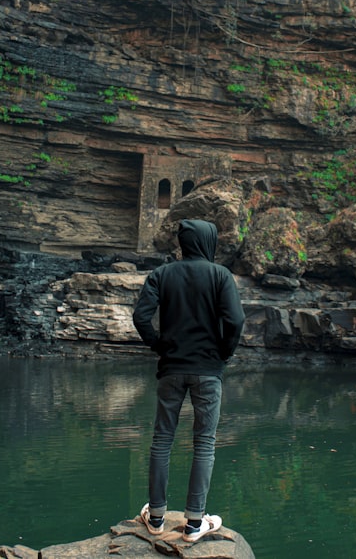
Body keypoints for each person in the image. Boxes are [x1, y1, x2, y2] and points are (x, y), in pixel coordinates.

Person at [132, 219, 245, 543]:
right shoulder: (220, 275)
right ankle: (195, 523)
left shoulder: (162, 274)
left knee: (162, 440)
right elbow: (235, 320)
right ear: (208, 242)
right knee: (204, 443)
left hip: (171, 368)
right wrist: (223, 351)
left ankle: (155, 517)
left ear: (183, 243)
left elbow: (141, 317)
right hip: (208, 371)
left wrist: (157, 343)